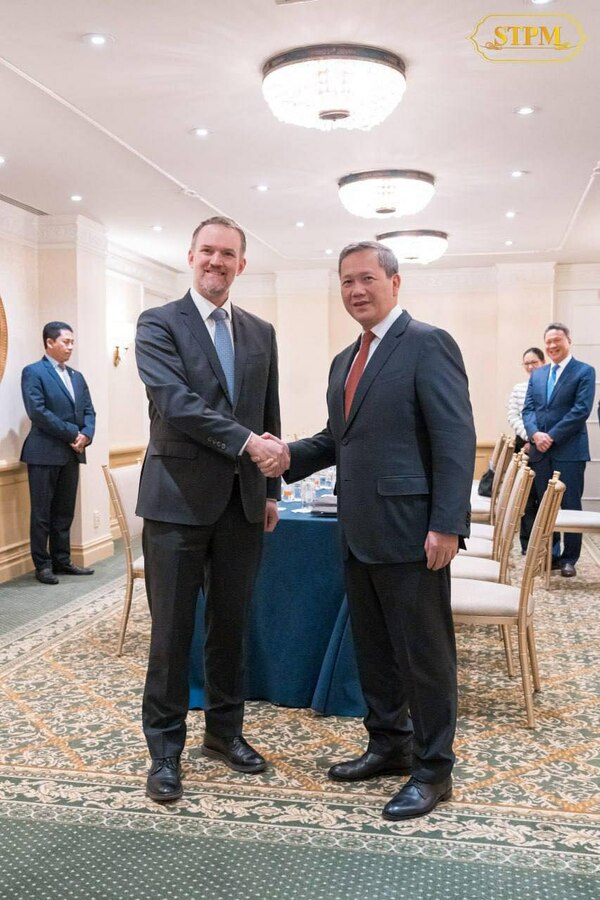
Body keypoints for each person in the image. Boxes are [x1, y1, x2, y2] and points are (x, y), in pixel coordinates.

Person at [256, 241, 475, 820]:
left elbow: (455, 440)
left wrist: (447, 524)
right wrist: (288, 456)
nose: (356, 290)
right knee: (374, 651)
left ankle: (434, 769)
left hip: (413, 532)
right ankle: (389, 746)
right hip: (356, 531)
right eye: (347, 281)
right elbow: (338, 439)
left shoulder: (428, 343)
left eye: (367, 279)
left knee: (423, 656)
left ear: (395, 283)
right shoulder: (345, 360)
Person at [135, 216, 288, 803]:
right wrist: (247, 444)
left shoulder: (261, 332)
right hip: (175, 501)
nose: (216, 261)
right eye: (207, 251)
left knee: (231, 628)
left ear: (241, 264)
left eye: (228, 254)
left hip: (242, 503)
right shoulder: (158, 323)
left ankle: (225, 733)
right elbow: (175, 403)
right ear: (190, 256)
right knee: (172, 634)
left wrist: (270, 491)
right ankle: (164, 752)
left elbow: (268, 411)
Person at [20, 322, 96, 585]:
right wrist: (73, 433)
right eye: (66, 342)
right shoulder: (33, 372)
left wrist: (86, 434)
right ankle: (43, 565)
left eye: (72, 342)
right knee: (42, 513)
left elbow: (89, 410)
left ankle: (62, 560)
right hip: (43, 452)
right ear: (49, 342)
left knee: (64, 512)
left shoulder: (77, 376)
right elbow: (38, 412)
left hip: (72, 453)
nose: (71, 347)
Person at [522, 322, 595, 578]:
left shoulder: (584, 371)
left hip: (569, 451)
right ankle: (550, 554)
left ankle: (569, 558)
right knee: (545, 505)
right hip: (541, 453)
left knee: (570, 504)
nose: (552, 345)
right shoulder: (538, 375)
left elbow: (580, 410)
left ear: (568, 341)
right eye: (548, 342)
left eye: (557, 340)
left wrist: (551, 436)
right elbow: (528, 409)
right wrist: (535, 434)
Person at [507, 346, 545, 552]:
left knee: (544, 495)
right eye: (527, 363)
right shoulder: (519, 388)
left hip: (546, 444)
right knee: (526, 497)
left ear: (543, 363)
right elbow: (513, 415)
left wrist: (538, 438)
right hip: (524, 445)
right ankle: (527, 544)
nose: (530, 367)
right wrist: (529, 436)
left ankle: (545, 545)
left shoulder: (549, 386)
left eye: (534, 363)